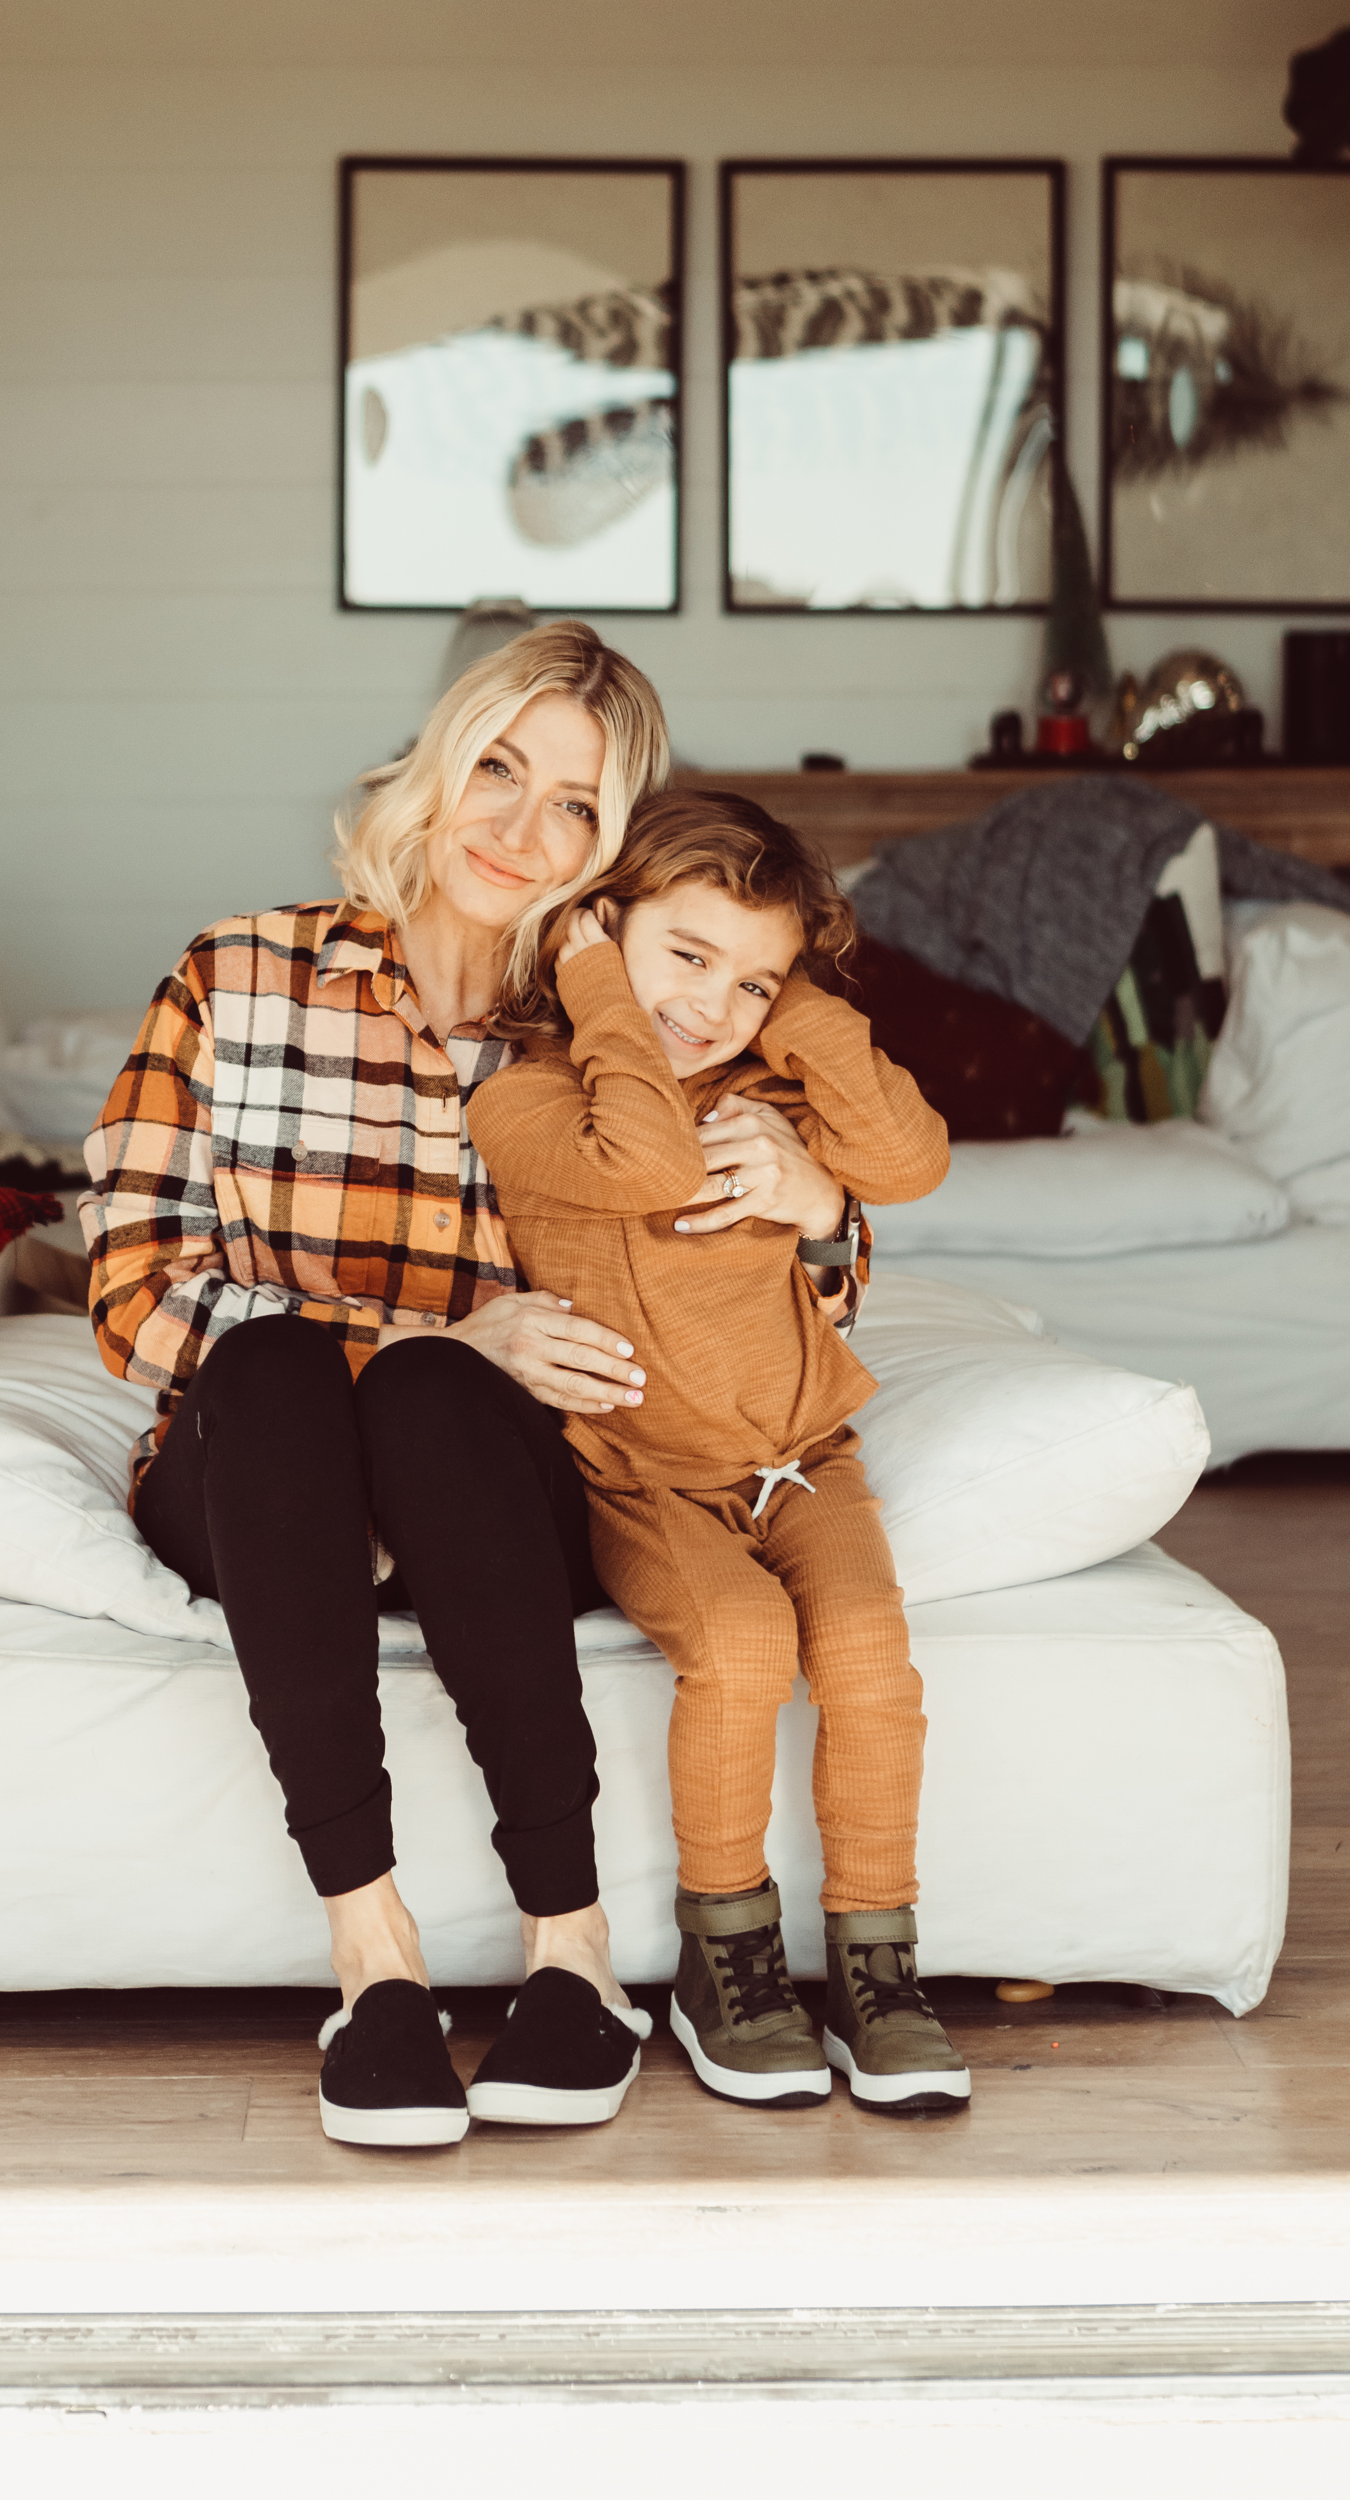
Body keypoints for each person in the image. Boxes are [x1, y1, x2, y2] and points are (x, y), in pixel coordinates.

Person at [81, 622, 673, 2149]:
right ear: (439, 759)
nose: (520, 830)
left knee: (432, 1405)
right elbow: (136, 1292)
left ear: (609, 850)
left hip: (494, 1500)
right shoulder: (238, 973)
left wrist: (822, 1204)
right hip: (262, 1485)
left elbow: (787, 1283)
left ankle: (575, 1955)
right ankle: (375, 1959)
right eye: (500, 769)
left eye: (576, 809)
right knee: (281, 1361)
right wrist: (434, 1334)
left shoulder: (613, 1032)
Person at [469, 788, 972, 2117]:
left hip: (810, 1456)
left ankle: (879, 1962)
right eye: (685, 956)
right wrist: (592, 985)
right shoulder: (527, 1104)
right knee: (744, 1645)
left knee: (866, 1646)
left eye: (753, 981)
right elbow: (639, 1164)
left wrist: (814, 1155)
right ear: (599, 929)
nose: (715, 1007)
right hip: (647, 1478)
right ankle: (726, 1954)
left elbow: (913, 1161)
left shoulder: (768, 1089)